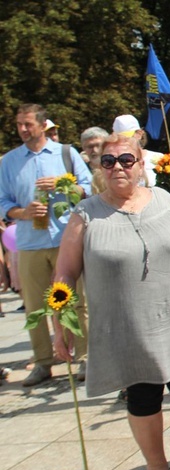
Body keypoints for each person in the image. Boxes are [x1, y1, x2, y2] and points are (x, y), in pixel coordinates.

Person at [52, 134, 170, 470]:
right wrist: (61, 325)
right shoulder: (85, 213)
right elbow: (64, 274)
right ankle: (157, 469)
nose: (117, 167)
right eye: (108, 161)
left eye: (125, 160)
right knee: (144, 394)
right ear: (100, 168)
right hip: (126, 323)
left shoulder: (165, 200)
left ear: (139, 164)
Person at [0, 103, 92, 387]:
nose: (23, 130)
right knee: (35, 305)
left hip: (67, 238)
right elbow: (3, 202)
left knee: (77, 300)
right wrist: (22, 213)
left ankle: (86, 358)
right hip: (29, 242)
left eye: (28, 124)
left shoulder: (65, 153)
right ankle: (43, 362)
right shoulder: (10, 161)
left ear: (42, 125)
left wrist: (65, 185)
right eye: (19, 125)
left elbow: (87, 189)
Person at [80, 126, 109, 194]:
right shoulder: (81, 172)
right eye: (90, 146)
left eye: (98, 145)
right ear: (84, 148)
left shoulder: (115, 168)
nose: (95, 150)